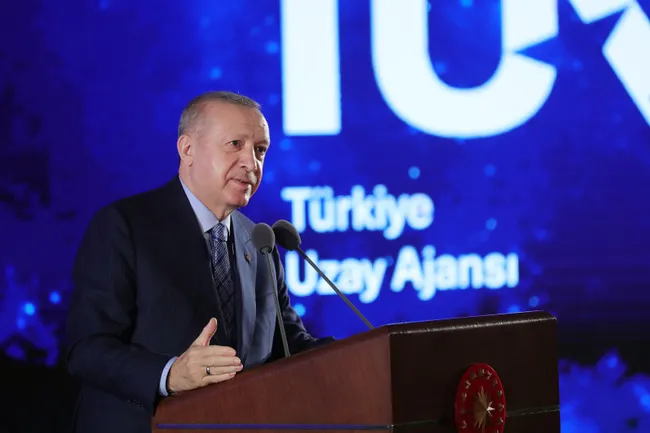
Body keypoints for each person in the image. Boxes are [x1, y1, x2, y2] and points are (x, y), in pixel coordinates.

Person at [65, 91, 333, 433]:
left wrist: (367, 356)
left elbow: (289, 343)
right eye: (235, 144)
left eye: (260, 150)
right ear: (187, 149)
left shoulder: (259, 243)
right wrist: (170, 374)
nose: (252, 163)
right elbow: (87, 349)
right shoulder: (125, 226)